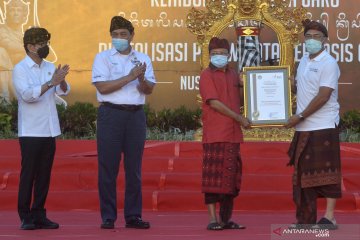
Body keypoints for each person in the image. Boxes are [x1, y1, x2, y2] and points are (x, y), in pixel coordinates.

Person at [92, 16, 156, 230]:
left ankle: (133, 216)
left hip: (135, 116)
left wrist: (141, 79)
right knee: (108, 168)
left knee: (134, 169)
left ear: (131, 36)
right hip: (111, 115)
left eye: (123, 35)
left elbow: (149, 90)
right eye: (115, 35)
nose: (118, 38)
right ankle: (108, 217)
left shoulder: (142, 58)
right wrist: (129, 77)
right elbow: (102, 88)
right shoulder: (102, 58)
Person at [285, 20, 341, 230]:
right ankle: (306, 219)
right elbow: (300, 90)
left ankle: (329, 217)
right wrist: (279, 83)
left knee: (328, 172)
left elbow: (324, 95)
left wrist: (299, 116)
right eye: (308, 37)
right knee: (303, 174)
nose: (312, 41)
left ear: (325, 40)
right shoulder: (303, 61)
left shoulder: (329, 63)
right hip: (304, 126)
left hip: (323, 123)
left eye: (317, 37)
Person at [12, 27, 70, 230]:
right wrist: (50, 83)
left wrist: (61, 81)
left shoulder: (50, 66)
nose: (46, 47)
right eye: (42, 44)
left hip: (49, 129)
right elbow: (27, 95)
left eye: (47, 43)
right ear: (30, 47)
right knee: (29, 174)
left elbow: (64, 90)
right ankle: (25, 216)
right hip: (30, 131)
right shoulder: (20, 69)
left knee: (44, 175)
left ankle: (39, 214)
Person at [199, 37, 250, 231]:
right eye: (215, 54)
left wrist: (254, 85)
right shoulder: (206, 75)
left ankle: (226, 219)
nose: (219, 57)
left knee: (231, 179)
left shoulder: (234, 75)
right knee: (212, 178)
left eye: (222, 53)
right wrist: (238, 118)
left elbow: (247, 97)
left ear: (229, 55)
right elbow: (213, 102)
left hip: (233, 134)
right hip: (215, 133)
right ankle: (213, 219)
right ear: (209, 55)